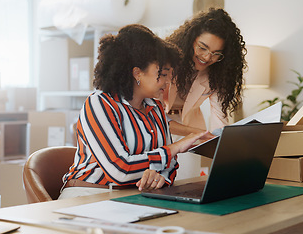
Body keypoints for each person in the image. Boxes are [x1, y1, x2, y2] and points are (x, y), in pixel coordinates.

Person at [59, 24, 208, 199]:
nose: (168, 81)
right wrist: (173, 148)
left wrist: (159, 178)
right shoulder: (99, 104)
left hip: (134, 195)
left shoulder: (155, 108)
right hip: (87, 195)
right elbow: (120, 170)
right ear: (137, 73)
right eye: (163, 73)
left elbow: (171, 165)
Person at [163, 7, 246, 138]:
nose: (207, 57)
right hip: (160, 127)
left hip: (192, 131)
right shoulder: (165, 64)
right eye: (202, 48)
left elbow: (219, 119)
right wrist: (199, 133)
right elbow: (153, 115)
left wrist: (222, 142)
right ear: (190, 39)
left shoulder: (216, 75)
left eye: (216, 53)